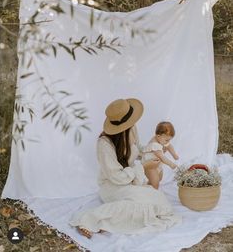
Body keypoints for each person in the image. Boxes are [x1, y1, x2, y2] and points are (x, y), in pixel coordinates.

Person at [69, 99, 181, 238]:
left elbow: (137, 149)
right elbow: (117, 177)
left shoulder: (131, 128)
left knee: (160, 201)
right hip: (113, 185)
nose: (133, 124)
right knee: (138, 206)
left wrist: (151, 150)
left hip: (130, 180)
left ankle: (112, 220)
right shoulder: (104, 144)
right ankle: (90, 220)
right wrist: (143, 166)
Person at [141, 122, 179, 189]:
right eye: (167, 140)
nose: (168, 142)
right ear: (158, 136)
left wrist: (174, 154)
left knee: (159, 178)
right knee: (155, 183)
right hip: (150, 166)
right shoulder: (154, 144)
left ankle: (148, 186)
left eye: (169, 140)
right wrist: (171, 164)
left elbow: (169, 146)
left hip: (157, 164)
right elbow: (162, 157)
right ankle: (154, 193)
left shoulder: (161, 139)